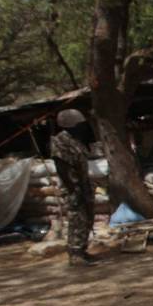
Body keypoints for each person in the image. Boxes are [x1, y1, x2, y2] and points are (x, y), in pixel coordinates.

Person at [50, 109, 98, 266]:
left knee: (87, 218)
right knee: (77, 219)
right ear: (71, 125)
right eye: (80, 124)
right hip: (73, 187)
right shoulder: (60, 141)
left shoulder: (75, 140)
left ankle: (82, 250)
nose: (83, 127)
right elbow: (61, 167)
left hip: (83, 184)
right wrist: (73, 188)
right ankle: (75, 254)